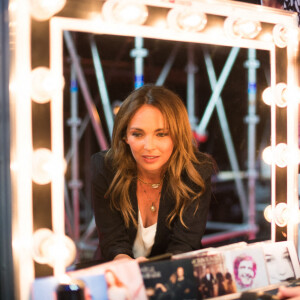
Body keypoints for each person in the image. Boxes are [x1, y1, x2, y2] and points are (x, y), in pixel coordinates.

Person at [91, 84, 214, 262]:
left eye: (161, 134)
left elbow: (185, 245)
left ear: (178, 135)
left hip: (174, 274)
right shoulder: (105, 167)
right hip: (118, 275)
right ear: (125, 136)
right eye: (138, 134)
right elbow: (113, 242)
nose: (149, 147)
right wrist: (129, 267)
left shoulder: (196, 171)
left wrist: (154, 272)